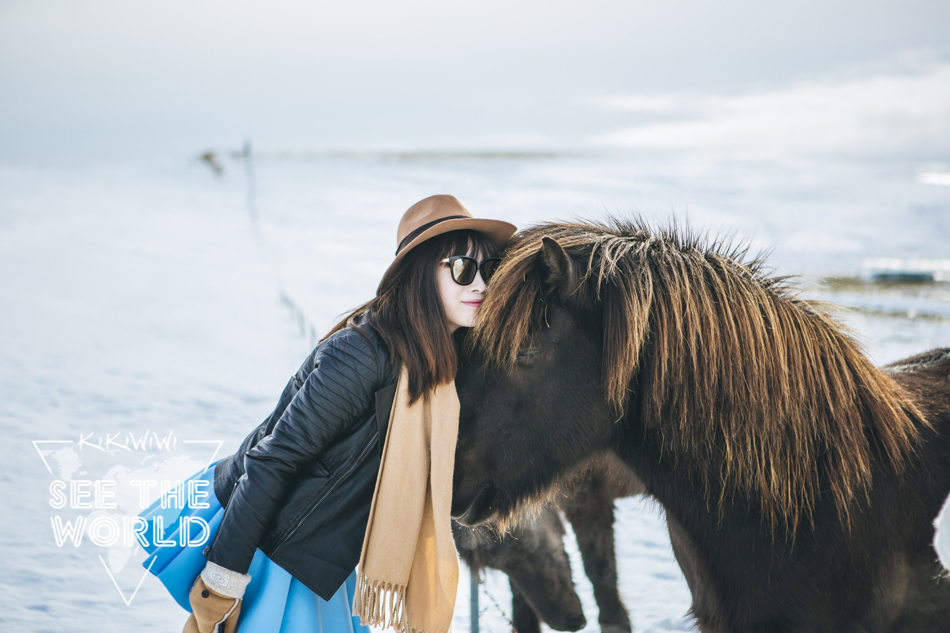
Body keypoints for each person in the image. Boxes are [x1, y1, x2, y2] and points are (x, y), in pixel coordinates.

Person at [139, 195, 515, 633]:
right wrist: (222, 580)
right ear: (419, 275)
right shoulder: (362, 354)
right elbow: (273, 459)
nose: (481, 286)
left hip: (322, 560)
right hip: (269, 546)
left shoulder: (443, 369)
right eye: (463, 269)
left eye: (489, 270)